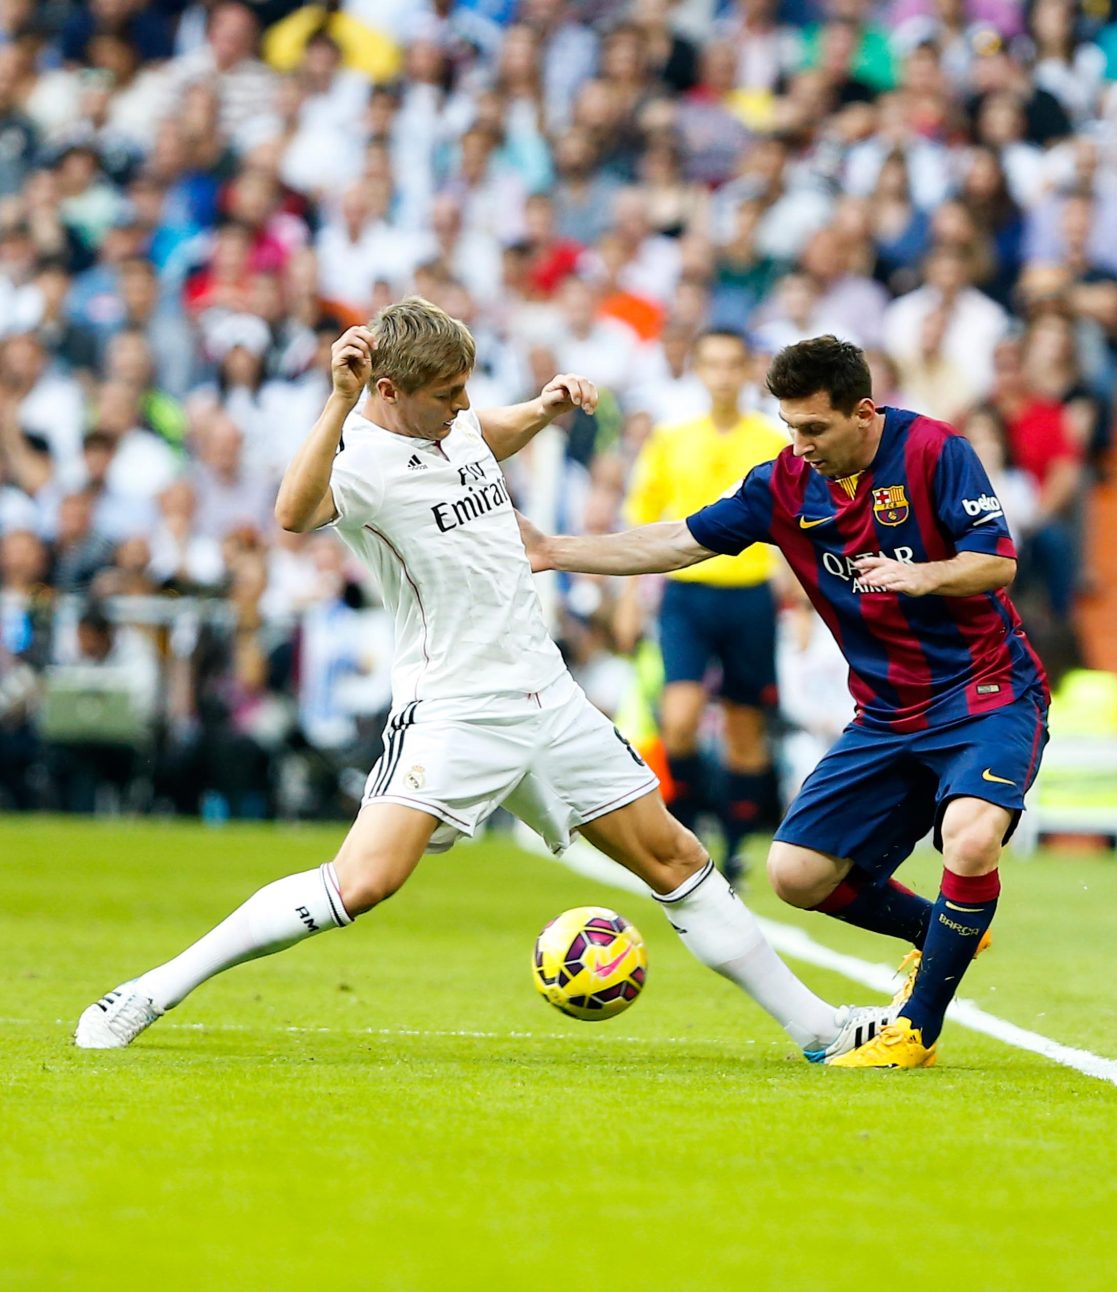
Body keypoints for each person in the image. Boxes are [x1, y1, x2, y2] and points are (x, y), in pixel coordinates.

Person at [75, 299, 876, 1066]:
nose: (463, 407)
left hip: (547, 694)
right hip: (456, 709)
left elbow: (485, 434)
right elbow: (294, 511)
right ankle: (147, 993)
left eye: (465, 390)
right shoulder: (361, 463)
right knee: (362, 884)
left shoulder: (455, 426)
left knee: (675, 858)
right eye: (447, 395)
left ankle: (821, 1030)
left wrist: (543, 407)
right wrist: (338, 400)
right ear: (388, 392)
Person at [520, 336, 1046, 1071]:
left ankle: (916, 1028)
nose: (798, 445)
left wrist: (919, 576)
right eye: (790, 427)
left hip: (986, 695)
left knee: (970, 837)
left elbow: (997, 561)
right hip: (888, 713)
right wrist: (552, 550)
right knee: (795, 875)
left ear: (864, 413)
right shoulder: (785, 485)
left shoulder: (935, 450)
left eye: (814, 429)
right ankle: (945, 928)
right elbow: (679, 541)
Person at [622, 330, 790, 881]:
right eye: (712, 364)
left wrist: (803, 602)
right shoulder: (672, 440)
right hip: (687, 592)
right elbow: (642, 517)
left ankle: (735, 850)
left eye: (732, 364)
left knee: (745, 730)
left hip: (749, 593)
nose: (722, 375)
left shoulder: (771, 440)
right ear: (698, 370)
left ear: (748, 372)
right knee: (680, 720)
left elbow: (793, 523)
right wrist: (627, 594)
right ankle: (685, 835)